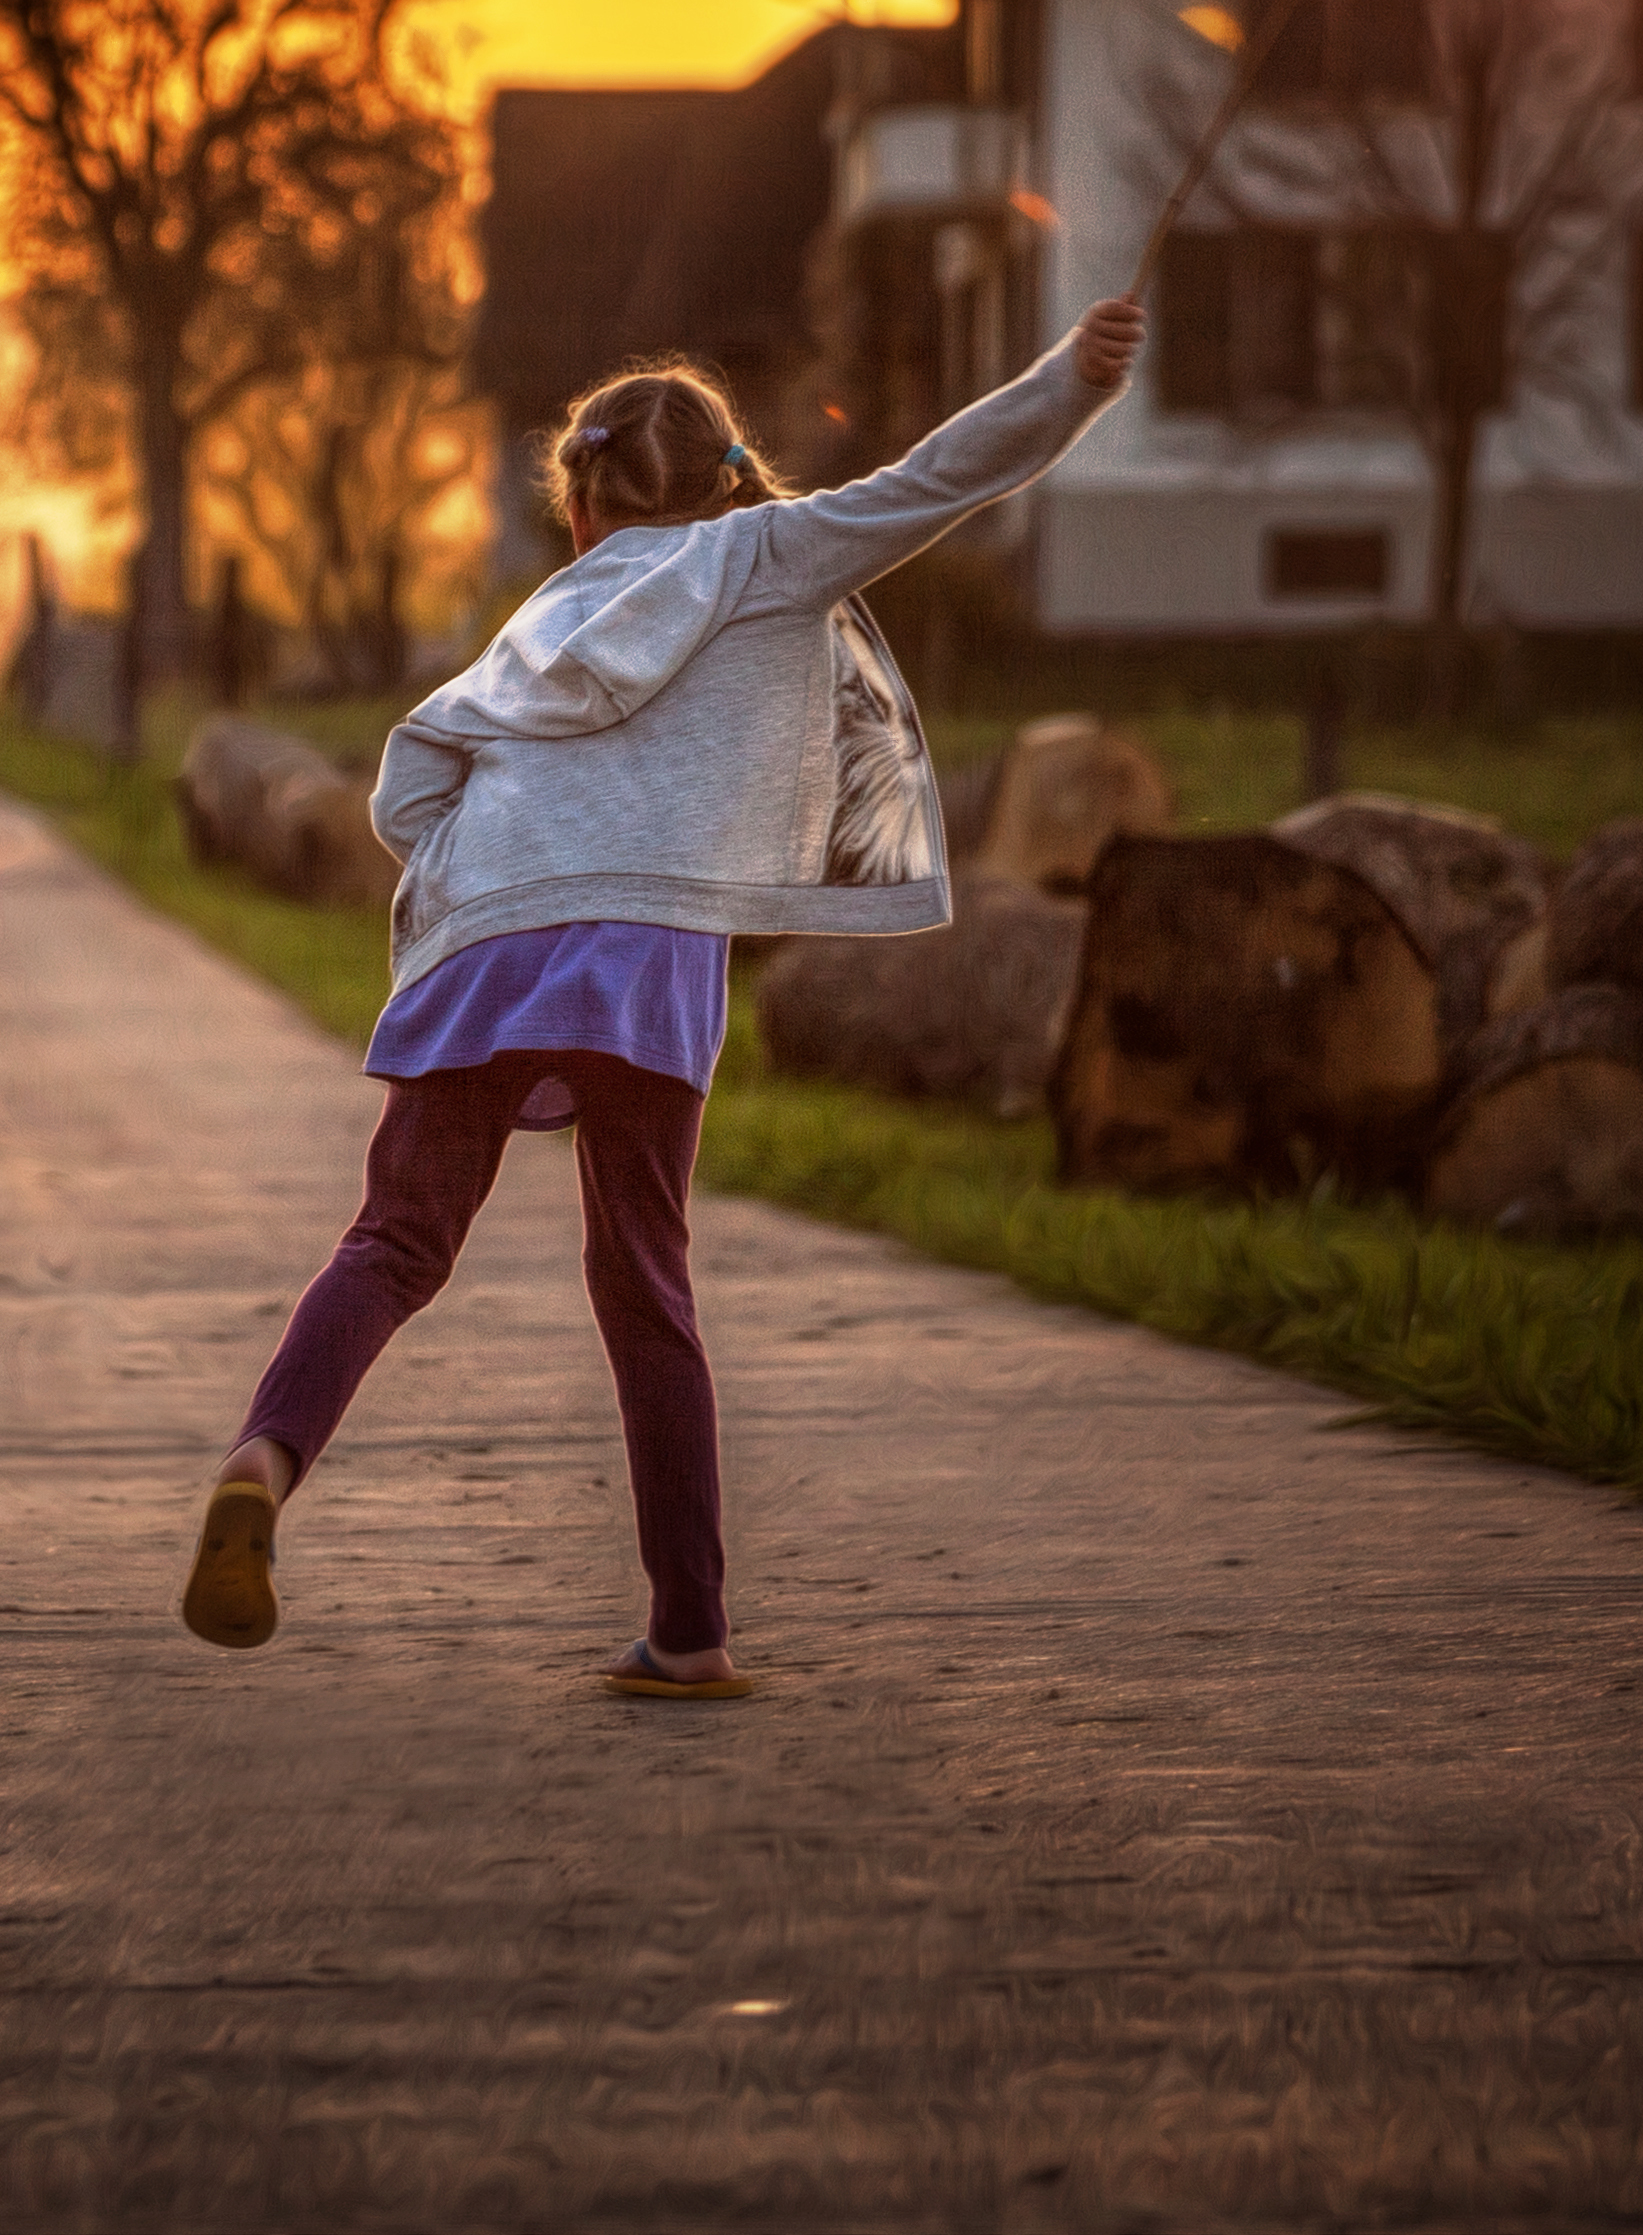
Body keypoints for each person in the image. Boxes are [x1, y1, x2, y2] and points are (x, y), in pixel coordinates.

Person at [177, 296, 1149, 1697]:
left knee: (394, 1239)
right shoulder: (764, 549)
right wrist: (1073, 380)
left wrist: (497, 873)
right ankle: (686, 1629)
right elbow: (944, 473)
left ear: (576, 507)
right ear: (724, 478)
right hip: (640, 948)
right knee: (642, 1277)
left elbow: (407, 784)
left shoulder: (542, 616)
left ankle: (262, 1461)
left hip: (484, 929)